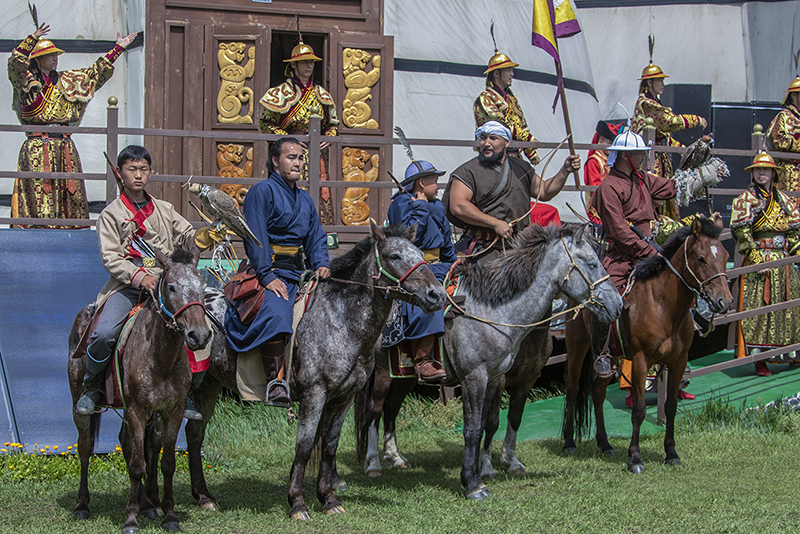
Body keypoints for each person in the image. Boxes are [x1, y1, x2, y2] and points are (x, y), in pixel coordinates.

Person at [75, 145, 225, 418]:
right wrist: (139, 276)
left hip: (169, 288)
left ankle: (188, 391)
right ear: (119, 173)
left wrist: (206, 235)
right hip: (127, 287)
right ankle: (92, 387)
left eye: (143, 169)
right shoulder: (110, 214)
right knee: (104, 333)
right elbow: (110, 258)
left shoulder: (165, 209)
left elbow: (187, 237)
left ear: (150, 172)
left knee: (205, 331)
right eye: (132, 169)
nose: (138, 175)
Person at [225, 137, 331, 407]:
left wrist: (321, 263)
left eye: (300, 158)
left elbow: (316, 237)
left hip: (299, 272)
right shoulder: (261, 192)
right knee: (277, 310)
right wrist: (267, 276)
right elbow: (255, 238)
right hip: (269, 272)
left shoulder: (305, 199)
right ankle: (276, 382)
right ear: (275, 160)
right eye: (291, 157)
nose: (298, 163)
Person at [8, 22, 137, 228]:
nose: (55, 58)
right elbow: (15, 63)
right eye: (50, 55)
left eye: (56, 55)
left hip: (64, 146)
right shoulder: (27, 82)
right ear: (38, 59)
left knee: (70, 192)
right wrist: (33, 38)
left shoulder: (67, 81)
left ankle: (70, 231)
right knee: (38, 192)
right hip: (37, 148)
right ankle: (35, 231)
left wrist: (118, 48)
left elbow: (94, 74)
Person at [589, 129, 676, 378]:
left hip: (649, 249)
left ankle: (676, 344)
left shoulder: (642, 178)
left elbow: (670, 188)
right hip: (622, 255)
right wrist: (650, 252)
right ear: (625, 155)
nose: (642, 158)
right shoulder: (608, 188)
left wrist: (698, 174)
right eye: (638, 153)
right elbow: (620, 232)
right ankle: (602, 353)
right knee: (606, 296)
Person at [444, 121, 580, 262]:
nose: (486, 143)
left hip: (519, 248)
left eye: (493, 138)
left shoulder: (521, 167)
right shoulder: (468, 171)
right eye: (483, 138)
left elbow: (545, 191)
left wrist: (565, 170)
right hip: (484, 248)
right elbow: (458, 206)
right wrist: (495, 223)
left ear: (506, 142)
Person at [386, 159, 456, 381]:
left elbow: (445, 239)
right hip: (413, 268)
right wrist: (420, 208)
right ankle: (423, 360)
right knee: (430, 293)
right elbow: (408, 239)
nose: (438, 185)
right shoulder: (401, 203)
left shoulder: (437, 205)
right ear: (422, 183)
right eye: (435, 181)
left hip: (440, 264)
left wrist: (454, 263)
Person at [731, 152, 800, 376]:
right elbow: (742, 233)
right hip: (760, 261)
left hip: (784, 261)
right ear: (753, 173)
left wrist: (797, 254)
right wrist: (756, 259)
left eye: (766, 169)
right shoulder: (744, 200)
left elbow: (794, 233)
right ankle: (759, 359)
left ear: (773, 173)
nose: (762, 173)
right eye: (758, 170)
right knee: (759, 311)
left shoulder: (786, 201)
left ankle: (789, 353)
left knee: (789, 309)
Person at [258, 38, 339, 224]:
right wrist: (287, 140)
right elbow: (266, 124)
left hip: (315, 154)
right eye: (304, 62)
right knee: (288, 191)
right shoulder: (280, 93)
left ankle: (320, 230)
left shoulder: (321, 94)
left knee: (319, 192)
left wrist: (328, 137)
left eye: (311, 62)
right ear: (293, 64)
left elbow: (332, 125)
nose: (309, 66)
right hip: (289, 153)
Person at [631, 58, 707, 220]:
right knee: (654, 192)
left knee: (667, 195)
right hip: (650, 159)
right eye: (659, 80)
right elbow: (670, 122)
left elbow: (663, 135)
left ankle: (668, 225)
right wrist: (696, 120)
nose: (663, 84)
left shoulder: (654, 102)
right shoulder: (647, 104)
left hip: (660, 157)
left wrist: (683, 149)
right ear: (650, 82)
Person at [474, 50, 540, 165]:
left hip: (515, 158)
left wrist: (530, 152)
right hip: (494, 158)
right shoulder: (486, 98)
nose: (512, 74)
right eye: (508, 70)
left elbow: (522, 126)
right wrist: (528, 138)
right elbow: (501, 125)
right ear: (496, 74)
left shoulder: (512, 99)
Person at [766, 76, 800, 201]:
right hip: (790, 169)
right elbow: (778, 141)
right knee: (789, 202)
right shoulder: (784, 116)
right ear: (793, 96)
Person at [584, 120, 624, 209]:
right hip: (599, 206)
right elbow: (595, 188)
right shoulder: (594, 161)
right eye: (609, 143)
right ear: (600, 142)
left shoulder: (614, 160)